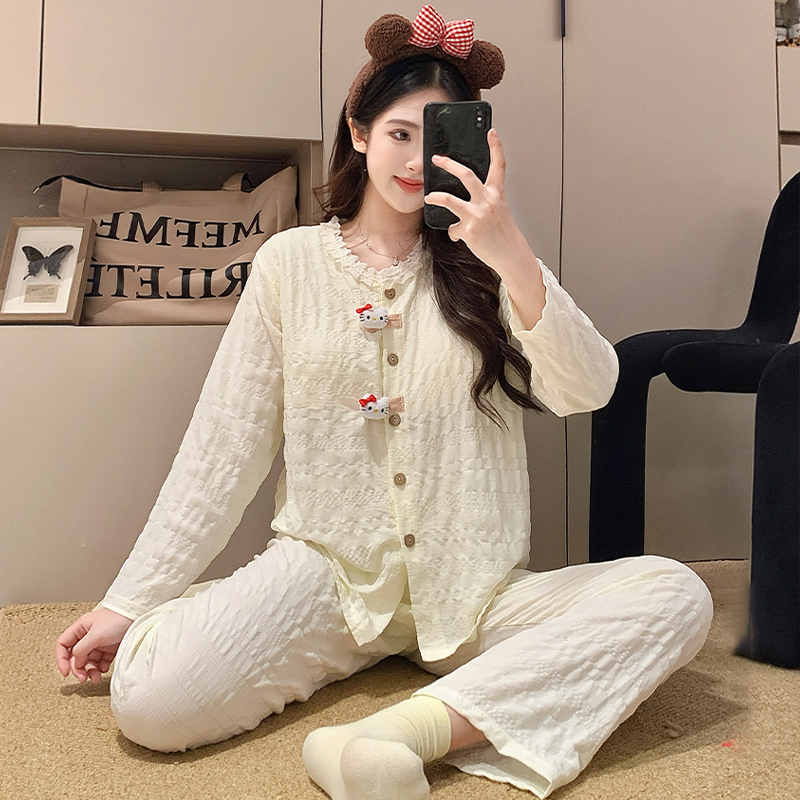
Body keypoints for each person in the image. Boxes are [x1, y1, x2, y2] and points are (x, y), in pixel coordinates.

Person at [55, 7, 713, 799]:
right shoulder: (290, 264)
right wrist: (131, 601)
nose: (417, 160)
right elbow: (224, 447)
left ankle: (396, 735)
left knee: (675, 595)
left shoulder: (488, 266)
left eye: (439, 139)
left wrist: (512, 253)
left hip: (476, 594)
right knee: (150, 702)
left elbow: (591, 387)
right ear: (359, 131)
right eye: (400, 133)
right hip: (326, 579)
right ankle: (248, 628)